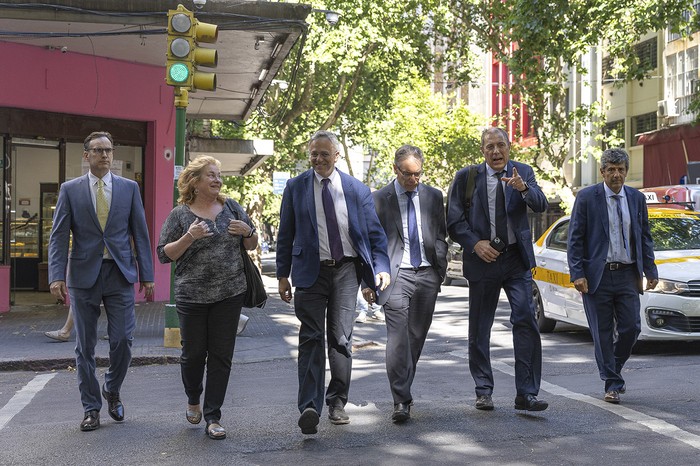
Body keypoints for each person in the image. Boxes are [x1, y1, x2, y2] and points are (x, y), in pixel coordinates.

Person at [276, 130, 391, 435]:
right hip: (309, 272)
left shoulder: (356, 189)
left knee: (341, 339)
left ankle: (337, 401)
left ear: (337, 156)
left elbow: (374, 233)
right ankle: (309, 407)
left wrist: (380, 268)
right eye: (313, 153)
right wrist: (282, 274)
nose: (318, 159)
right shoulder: (295, 186)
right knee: (310, 338)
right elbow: (285, 234)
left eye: (324, 154)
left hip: (345, 271)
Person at [48, 131, 155, 432]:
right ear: (86, 155)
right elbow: (58, 236)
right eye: (98, 150)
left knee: (123, 340)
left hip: (120, 274)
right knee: (85, 346)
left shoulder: (129, 188)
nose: (105, 155)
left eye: (108, 150)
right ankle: (91, 408)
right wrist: (56, 275)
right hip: (83, 276)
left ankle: (113, 388)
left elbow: (140, 233)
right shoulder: (70, 190)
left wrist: (147, 275)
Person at [446, 127, 549, 412]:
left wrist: (523, 188)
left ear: (509, 147)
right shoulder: (466, 177)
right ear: (483, 150)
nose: (495, 151)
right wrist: (475, 244)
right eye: (489, 146)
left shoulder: (523, 171)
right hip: (483, 260)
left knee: (526, 319)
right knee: (480, 328)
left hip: (516, 259)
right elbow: (454, 221)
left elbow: (540, 205)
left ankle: (526, 393)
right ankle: (483, 390)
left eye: (500, 145)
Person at [157, 155, 258, 440]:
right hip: (192, 295)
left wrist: (247, 231)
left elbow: (252, 244)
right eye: (211, 175)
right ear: (195, 181)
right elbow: (164, 254)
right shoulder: (180, 215)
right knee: (192, 355)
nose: (217, 179)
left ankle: (213, 416)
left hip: (230, 292)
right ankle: (193, 398)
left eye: (218, 174)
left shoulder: (232, 207)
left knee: (221, 356)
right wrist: (189, 236)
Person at [363, 145, 447, 423]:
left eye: (418, 174)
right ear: (395, 170)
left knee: (416, 337)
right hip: (394, 276)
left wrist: (440, 269)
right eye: (408, 174)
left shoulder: (433, 196)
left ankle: (403, 390)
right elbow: (368, 243)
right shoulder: (377, 199)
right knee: (398, 338)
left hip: (427, 274)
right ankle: (401, 400)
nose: (414, 180)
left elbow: (440, 236)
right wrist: (368, 281)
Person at [567, 148, 658, 404]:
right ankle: (612, 383)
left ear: (626, 172)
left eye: (621, 170)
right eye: (611, 170)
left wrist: (650, 269)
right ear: (602, 172)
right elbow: (575, 239)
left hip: (628, 273)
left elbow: (644, 236)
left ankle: (612, 369)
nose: (616, 175)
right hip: (598, 276)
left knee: (632, 328)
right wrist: (578, 273)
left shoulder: (636, 198)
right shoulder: (586, 198)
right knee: (602, 333)